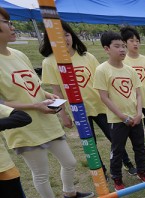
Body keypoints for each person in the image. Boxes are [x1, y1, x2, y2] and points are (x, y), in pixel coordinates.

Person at [0, 7, 93, 198]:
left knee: (69, 161)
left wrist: (46, 95)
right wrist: (34, 106)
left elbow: (33, 85)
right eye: (5, 22)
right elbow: (1, 104)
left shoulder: (18, 54)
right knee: (41, 172)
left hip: (47, 121)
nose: (12, 26)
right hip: (24, 126)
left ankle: (69, 192)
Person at [40, 20, 137, 178]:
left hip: (100, 105)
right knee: (90, 142)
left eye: (66, 34)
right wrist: (63, 114)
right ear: (50, 40)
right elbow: (56, 91)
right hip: (78, 111)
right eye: (58, 36)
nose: (64, 39)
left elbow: (103, 81)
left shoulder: (87, 57)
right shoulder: (49, 62)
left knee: (115, 138)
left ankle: (126, 163)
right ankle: (101, 170)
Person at [94, 31, 145, 191]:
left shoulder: (130, 70)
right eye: (117, 46)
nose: (122, 50)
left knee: (140, 146)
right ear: (107, 49)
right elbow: (104, 97)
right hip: (117, 120)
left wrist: (139, 113)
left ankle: (142, 171)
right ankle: (117, 178)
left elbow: (139, 93)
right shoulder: (102, 70)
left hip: (135, 118)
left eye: (123, 46)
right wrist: (122, 116)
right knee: (117, 150)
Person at [120, 26, 145, 158]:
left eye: (137, 40)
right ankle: (140, 148)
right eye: (131, 40)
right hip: (133, 101)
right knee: (137, 128)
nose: (135, 43)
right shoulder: (123, 61)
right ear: (124, 43)